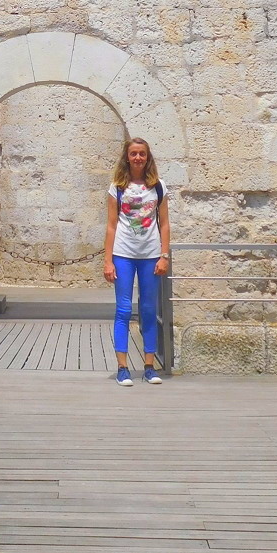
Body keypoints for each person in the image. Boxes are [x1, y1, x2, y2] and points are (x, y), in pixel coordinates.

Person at [104, 137, 170, 386]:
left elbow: (164, 223)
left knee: (149, 310)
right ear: (127, 157)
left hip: (150, 254)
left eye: (142, 154)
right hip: (123, 253)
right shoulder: (117, 187)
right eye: (133, 154)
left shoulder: (158, 186)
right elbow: (111, 225)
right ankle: (122, 368)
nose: (138, 158)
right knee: (122, 310)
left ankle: (149, 366)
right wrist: (107, 260)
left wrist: (164, 255)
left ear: (147, 157)